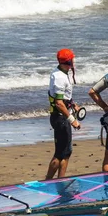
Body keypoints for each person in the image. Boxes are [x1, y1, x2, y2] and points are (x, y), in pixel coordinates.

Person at [46, 48, 80, 180]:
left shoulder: (59, 72)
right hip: (61, 119)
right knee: (61, 154)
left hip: (59, 117)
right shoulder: (60, 77)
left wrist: (73, 104)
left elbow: (63, 98)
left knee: (66, 152)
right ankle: (49, 181)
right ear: (69, 61)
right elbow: (59, 103)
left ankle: (60, 180)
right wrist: (72, 120)